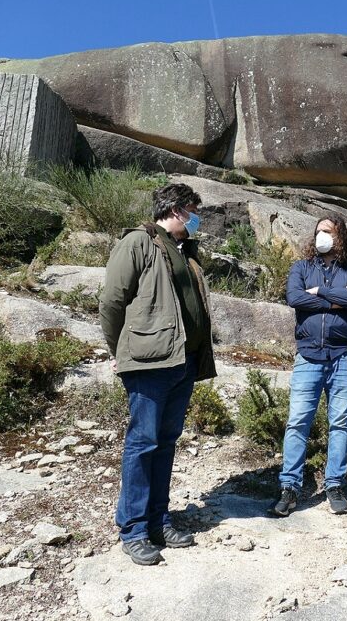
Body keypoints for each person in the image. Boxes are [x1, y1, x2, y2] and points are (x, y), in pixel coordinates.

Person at [99, 183, 217, 565]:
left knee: (165, 443)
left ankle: (157, 519)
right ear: (179, 209)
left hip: (182, 362)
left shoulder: (185, 251)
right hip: (149, 363)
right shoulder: (138, 242)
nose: (197, 218)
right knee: (143, 443)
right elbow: (112, 301)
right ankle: (133, 529)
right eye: (194, 210)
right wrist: (119, 351)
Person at [272, 214, 347, 517]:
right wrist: (336, 299)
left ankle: (334, 485)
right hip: (309, 356)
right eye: (317, 232)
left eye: (327, 231)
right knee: (298, 422)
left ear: (340, 237)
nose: (321, 236)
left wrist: (320, 293)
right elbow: (294, 298)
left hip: (343, 356)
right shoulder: (301, 268)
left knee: (339, 423)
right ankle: (290, 487)